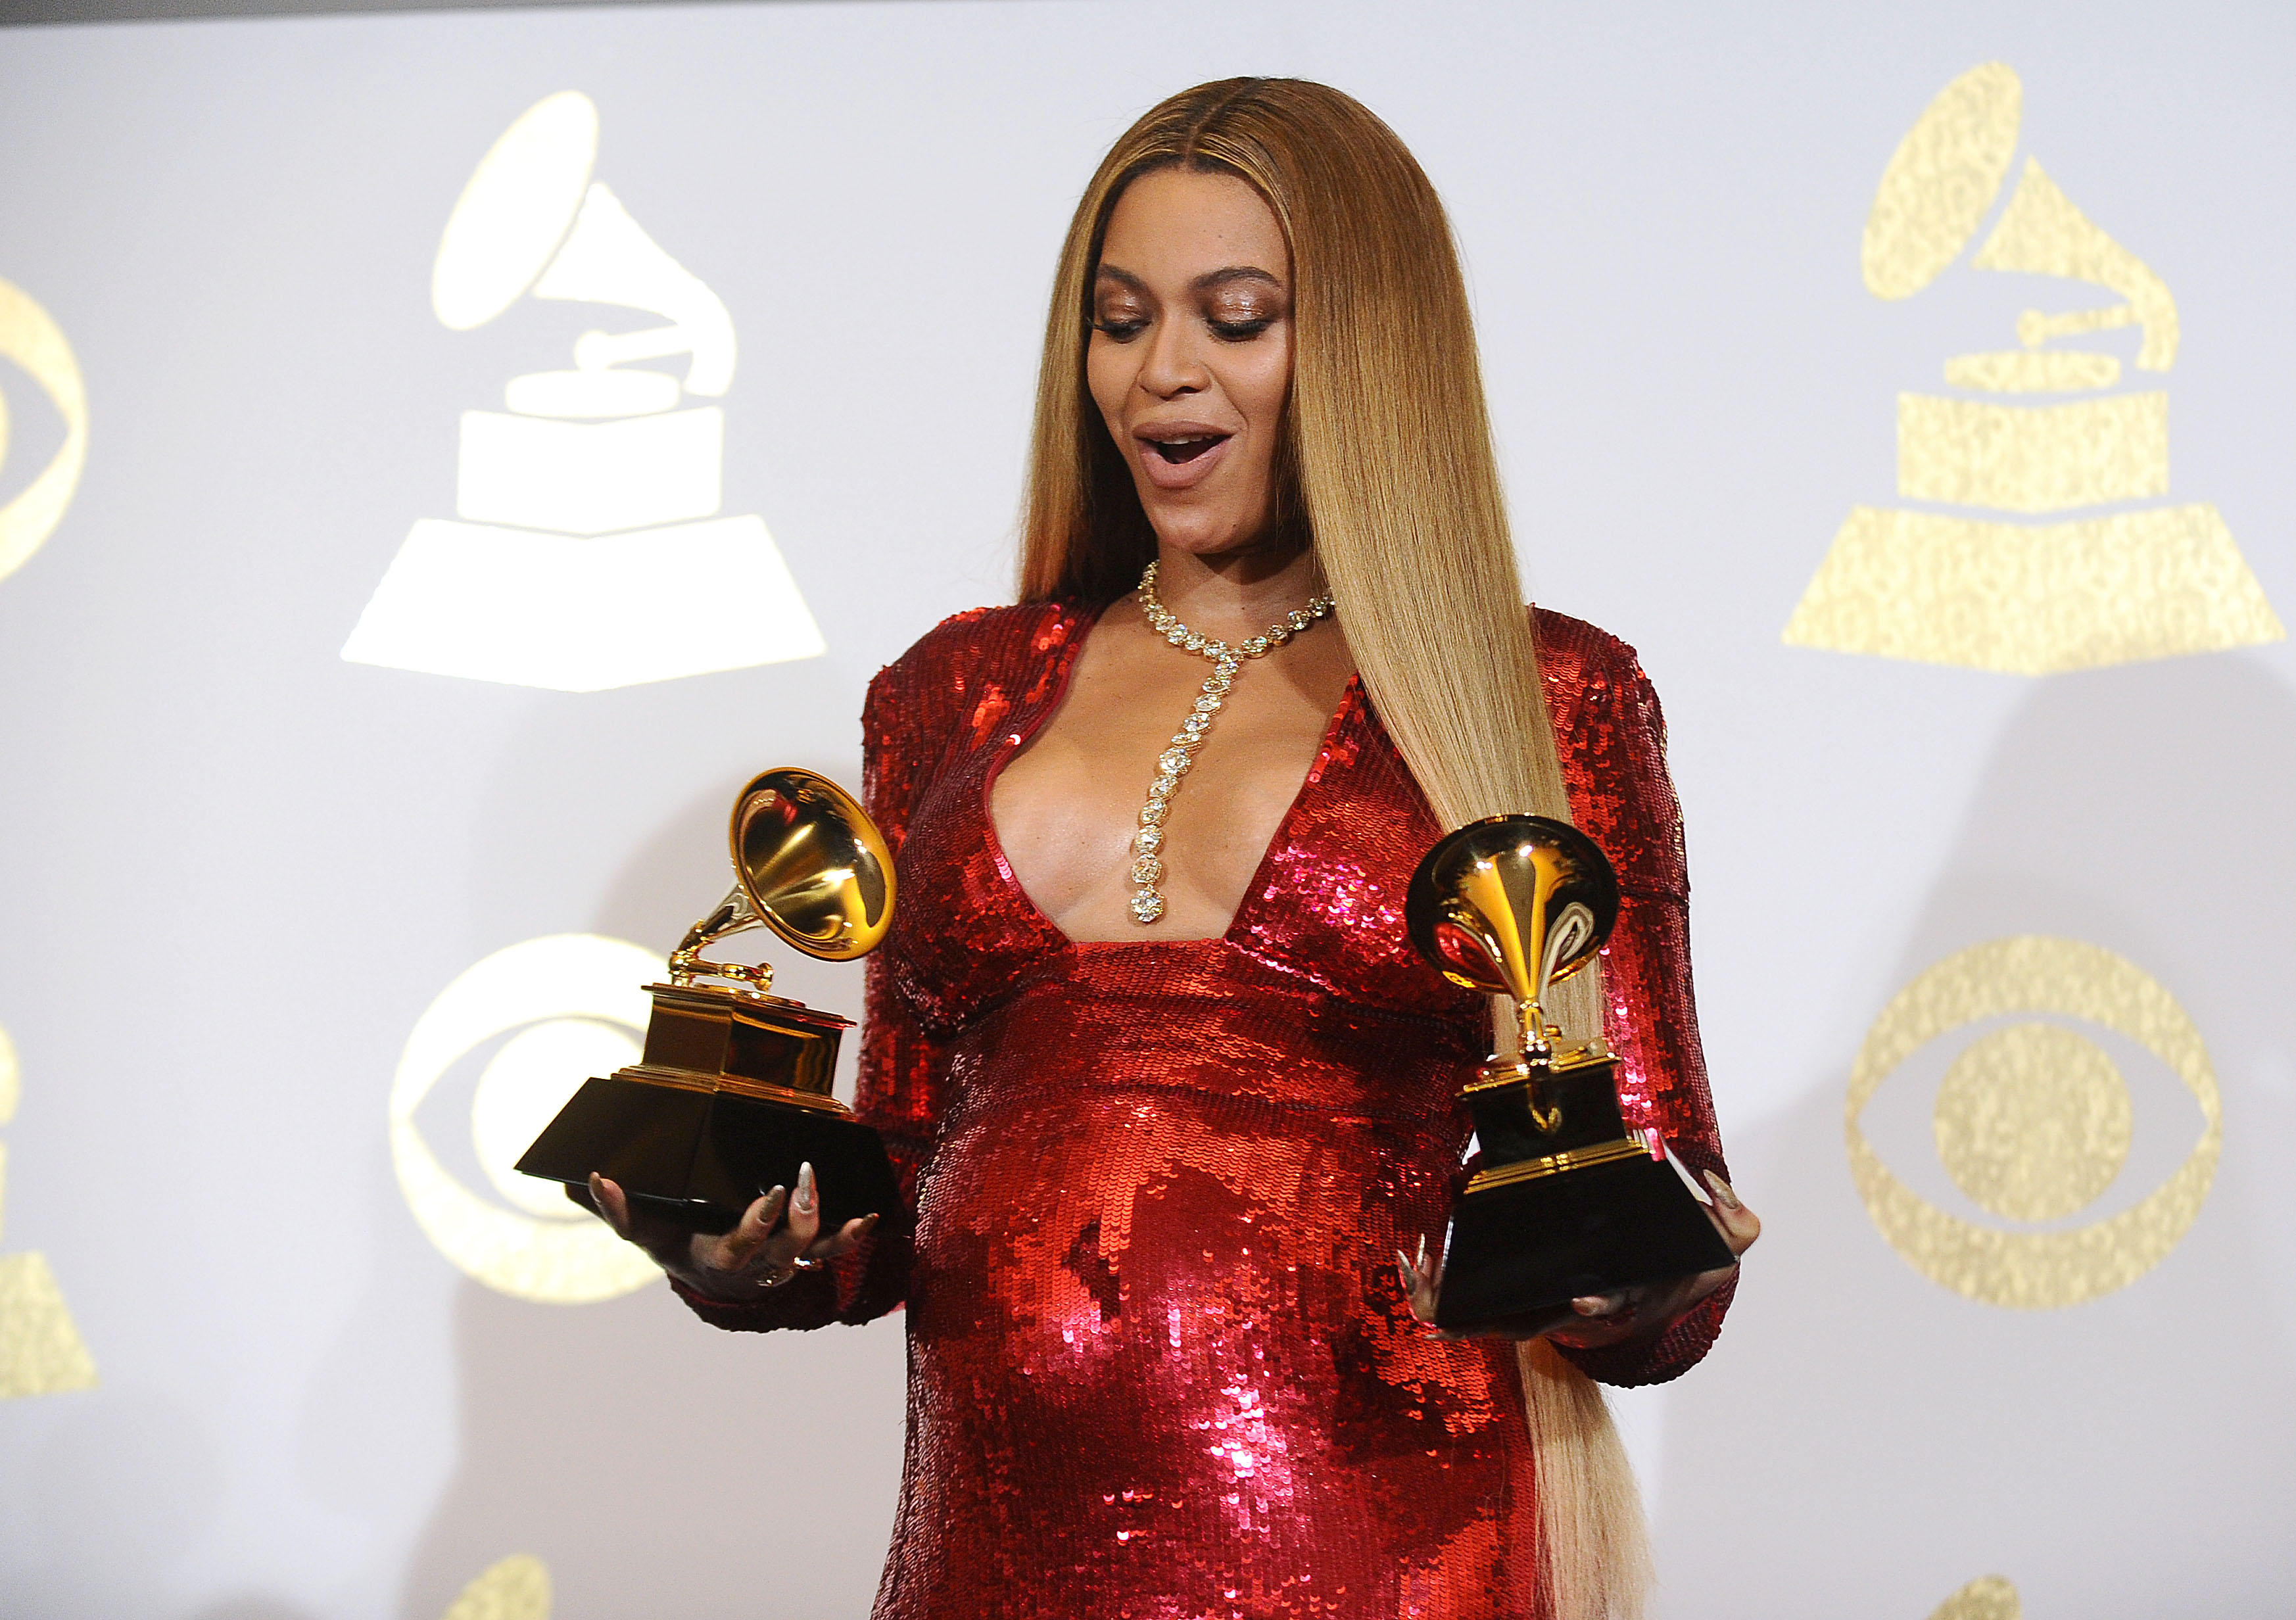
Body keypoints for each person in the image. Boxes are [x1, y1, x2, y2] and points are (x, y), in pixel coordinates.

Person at [588, 78, 1759, 1620]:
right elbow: (896, 1181)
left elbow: (1662, 1210)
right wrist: (750, 1255)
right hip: (987, 1555)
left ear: (1366, 348)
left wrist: (1641, 1282)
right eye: (1123, 318)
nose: (1162, 374)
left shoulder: (1549, 695)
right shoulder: (952, 690)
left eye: (1236, 316)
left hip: (1383, 1552)